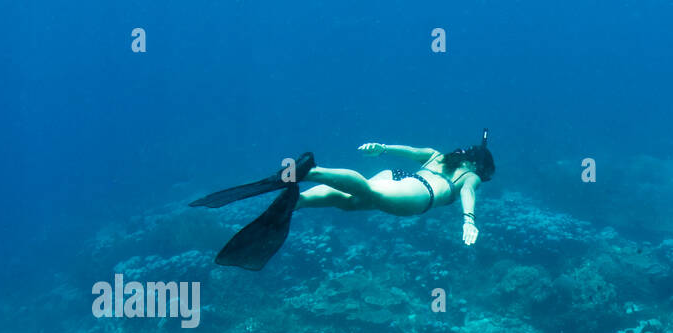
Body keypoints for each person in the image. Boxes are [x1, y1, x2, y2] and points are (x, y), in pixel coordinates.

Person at [190, 130, 495, 270]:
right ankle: (312, 170)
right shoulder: (471, 177)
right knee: (367, 192)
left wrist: (381, 147)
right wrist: (469, 220)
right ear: (479, 166)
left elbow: (409, 151)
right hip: (418, 194)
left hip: (401, 176)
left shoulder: (437, 155)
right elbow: (467, 194)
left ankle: (298, 202)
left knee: (349, 202)